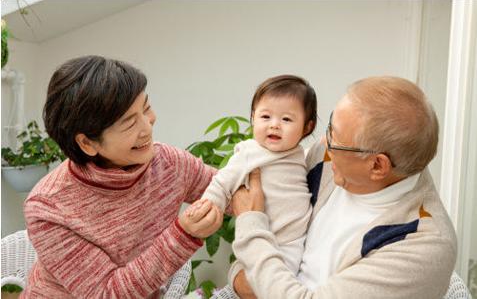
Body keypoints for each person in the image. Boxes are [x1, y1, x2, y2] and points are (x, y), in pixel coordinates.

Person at [231, 76, 457, 299]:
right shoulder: (327, 161)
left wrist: (250, 224)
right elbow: (253, 267)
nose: (324, 141)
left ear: (377, 165)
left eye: (335, 138)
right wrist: (242, 279)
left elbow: (254, 236)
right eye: (331, 126)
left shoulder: (422, 248)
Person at [21, 55, 223, 298]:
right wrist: (184, 235)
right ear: (86, 142)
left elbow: (229, 189)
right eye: (129, 123)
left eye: (146, 108)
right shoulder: (47, 208)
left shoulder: (167, 162)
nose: (148, 127)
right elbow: (108, 294)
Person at [198, 75, 317, 284]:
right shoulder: (249, 153)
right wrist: (209, 204)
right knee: (270, 284)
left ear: (307, 127)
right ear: (253, 117)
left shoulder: (302, 154)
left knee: (290, 285)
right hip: (265, 238)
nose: (274, 125)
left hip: (296, 241)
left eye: (286, 119)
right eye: (265, 117)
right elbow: (222, 182)